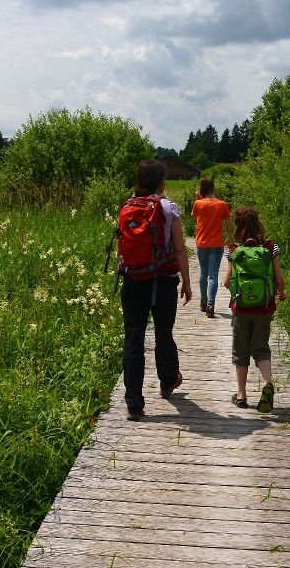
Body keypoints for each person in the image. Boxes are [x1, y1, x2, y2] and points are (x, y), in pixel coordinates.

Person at [118, 160, 192, 421]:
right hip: (163, 280)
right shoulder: (168, 207)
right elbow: (179, 248)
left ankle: (133, 403)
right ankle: (168, 380)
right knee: (163, 333)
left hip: (133, 279)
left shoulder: (127, 206)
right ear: (161, 181)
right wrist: (187, 281)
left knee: (133, 338)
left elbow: (122, 247)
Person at [222, 206, 286, 414]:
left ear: (237, 225)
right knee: (261, 348)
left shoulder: (234, 249)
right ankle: (268, 383)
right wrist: (281, 293)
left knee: (240, 350)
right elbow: (279, 278)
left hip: (241, 308)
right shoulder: (270, 247)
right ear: (258, 223)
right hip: (264, 307)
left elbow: (226, 282)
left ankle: (241, 395)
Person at [191, 177, 231, 318]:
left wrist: (199, 199)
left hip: (202, 243)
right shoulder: (222, 204)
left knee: (203, 273)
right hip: (217, 244)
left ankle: (203, 301)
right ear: (213, 188)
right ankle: (210, 304)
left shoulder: (198, 203)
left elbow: (194, 215)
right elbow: (228, 224)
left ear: (202, 190)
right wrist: (229, 237)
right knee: (213, 275)